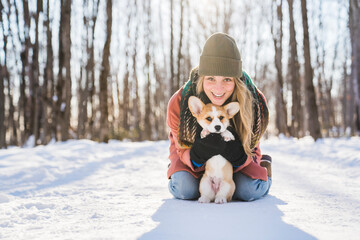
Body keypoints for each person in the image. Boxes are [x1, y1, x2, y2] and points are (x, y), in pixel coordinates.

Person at [166, 32, 272, 202]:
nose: (219, 88)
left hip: (233, 167)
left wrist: (238, 156)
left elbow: (253, 145)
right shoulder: (180, 101)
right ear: (202, 77)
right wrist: (195, 156)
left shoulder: (254, 101)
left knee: (250, 191)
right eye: (211, 78)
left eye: (227, 79)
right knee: (184, 190)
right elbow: (179, 147)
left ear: (236, 79)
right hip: (193, 164)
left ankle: (265, 168)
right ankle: (184, 174)